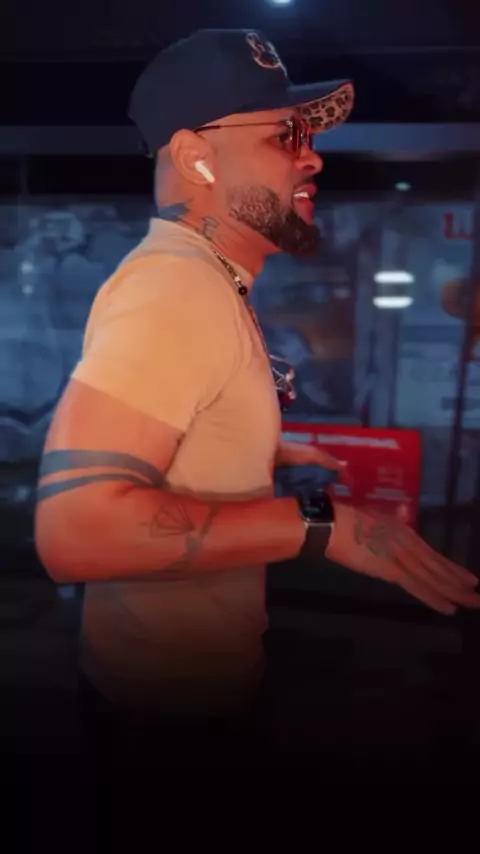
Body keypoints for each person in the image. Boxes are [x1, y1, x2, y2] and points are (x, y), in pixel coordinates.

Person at [34, 29, 480, 770]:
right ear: (196, 158)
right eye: (285, 136)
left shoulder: (203, 279)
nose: (313, 157)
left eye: (309, 137)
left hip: (179, 695)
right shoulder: (177, 288)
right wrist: (323, 526)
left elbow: (161, 440)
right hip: (169, 721)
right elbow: (75, 533)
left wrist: (254, 449)